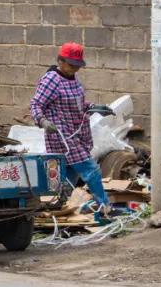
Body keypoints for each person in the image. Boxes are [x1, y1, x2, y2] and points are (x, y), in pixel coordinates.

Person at [30, 42, 116, 223]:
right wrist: (43, 121)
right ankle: (104, 207)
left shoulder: (73, 78)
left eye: (77, 66)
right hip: (61, 135)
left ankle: (61, 210)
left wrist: (94, 108)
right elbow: (36, 104)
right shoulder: (51, 80)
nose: (74, 69)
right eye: (71, 65)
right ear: (60, 61)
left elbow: (77, 105)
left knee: (68, 175)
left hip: (76, 133)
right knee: (91, 170)